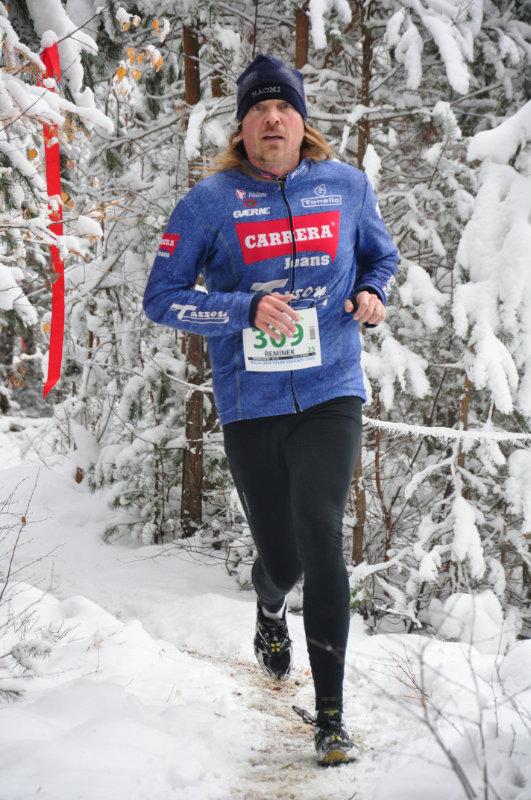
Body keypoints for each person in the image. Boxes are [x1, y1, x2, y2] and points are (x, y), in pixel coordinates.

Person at [143, 54, 398, 766]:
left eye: (283, 106)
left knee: (321, 531)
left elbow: (381, 260)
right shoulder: (209, 203)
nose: (272, 118)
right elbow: (161, 298)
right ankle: (268, 602)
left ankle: (330, 718)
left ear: (301, 120)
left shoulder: (345, 187)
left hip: (330, 390)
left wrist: (372, 294)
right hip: (251, 402)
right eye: (258, 108)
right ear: (242, 127)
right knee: (281, 558)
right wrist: (243, 309)